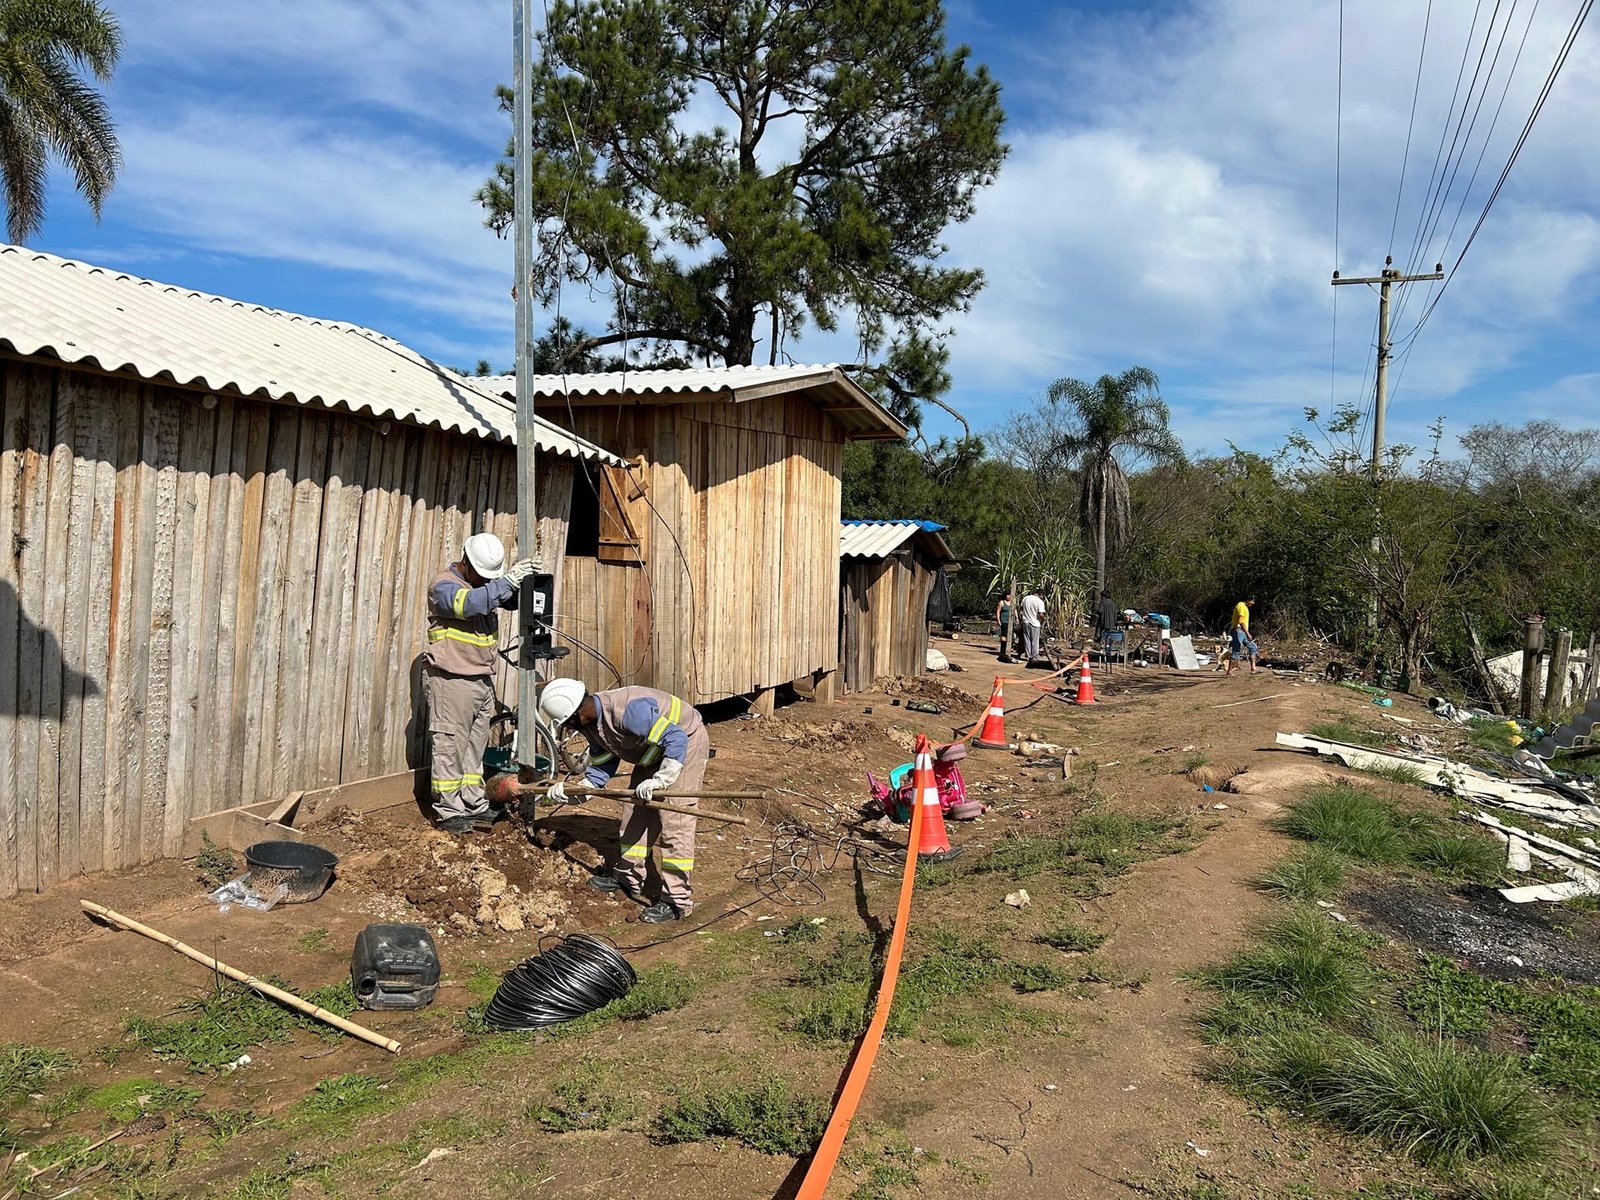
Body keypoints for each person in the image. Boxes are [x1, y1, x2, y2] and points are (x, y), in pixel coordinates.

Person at [537, 678, 711, 923]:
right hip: (653, 752)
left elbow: (676, 739)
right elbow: (602, 767)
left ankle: (677, 901)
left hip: (685, 744)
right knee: (634, 812)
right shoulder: (592, 724)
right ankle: (628, 877)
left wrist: (660, 780)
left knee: (675, 819)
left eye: (570, 721)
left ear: (578, 711)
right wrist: (574, 791)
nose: (571, 727)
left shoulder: (629, 712)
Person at [424, 533, 537, 833]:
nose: (484, 580)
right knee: (450, 746)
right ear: (466, 561)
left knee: (474, 748)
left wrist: (527, 580)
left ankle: (474, 804)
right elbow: (470, 605)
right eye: (481, 574)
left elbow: (505, 599)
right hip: (452, 679)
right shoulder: (444, 586)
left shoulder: (482, 585)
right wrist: (506, 581)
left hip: (481, 679)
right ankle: (448, 812)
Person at [1225, 596, 1259, 677]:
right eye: (1252, 601)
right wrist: (1248, 633)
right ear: (1247, 600)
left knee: (1252, 647)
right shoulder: (1241, 606)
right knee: (1236, 650)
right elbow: (1241, 621)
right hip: (1238, 631)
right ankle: (1229, 672)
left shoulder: (1243, 607)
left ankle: (1253, 669)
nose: (1253, 603)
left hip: (1242, 631)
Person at [1019, 589, 1046, 663]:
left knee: (1027, 639)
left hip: (1026, 621)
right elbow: (1041, 614)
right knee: (1035, 640)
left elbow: (1021, 609)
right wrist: (1044, 619)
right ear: (1041, 595)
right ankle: (1034, 656)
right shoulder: (1040, 602)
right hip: (1035, 623)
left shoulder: (1026, 598)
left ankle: (1028, 655)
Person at [994, 594, 1014, 660]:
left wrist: (1016, 618)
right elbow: (998, 611)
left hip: (1010, 622)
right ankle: (1002, 651)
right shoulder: (1002, 602)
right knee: (1004, 636)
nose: (1008, 596)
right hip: (1004, 621)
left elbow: (1014, 610)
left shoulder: (1012, 602)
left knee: (1010, 636)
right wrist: (998, 620)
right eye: (1007, 595)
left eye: (1009, 595)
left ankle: (1009, 649)